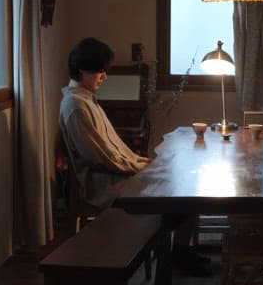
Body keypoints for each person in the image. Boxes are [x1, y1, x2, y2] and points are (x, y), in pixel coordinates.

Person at [59, 37, 210, 276]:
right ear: (81, 70)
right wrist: (139, 167)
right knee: (181, 195)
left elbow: (115, 148)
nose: (104, 76)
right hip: (104, 182)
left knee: (184, 186)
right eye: (99, 70)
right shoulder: (76, 106)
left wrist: (140, 162)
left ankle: (179, 251)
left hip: (118, 172)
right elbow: (101, 157)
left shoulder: (86, 100)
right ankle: (173, 254)